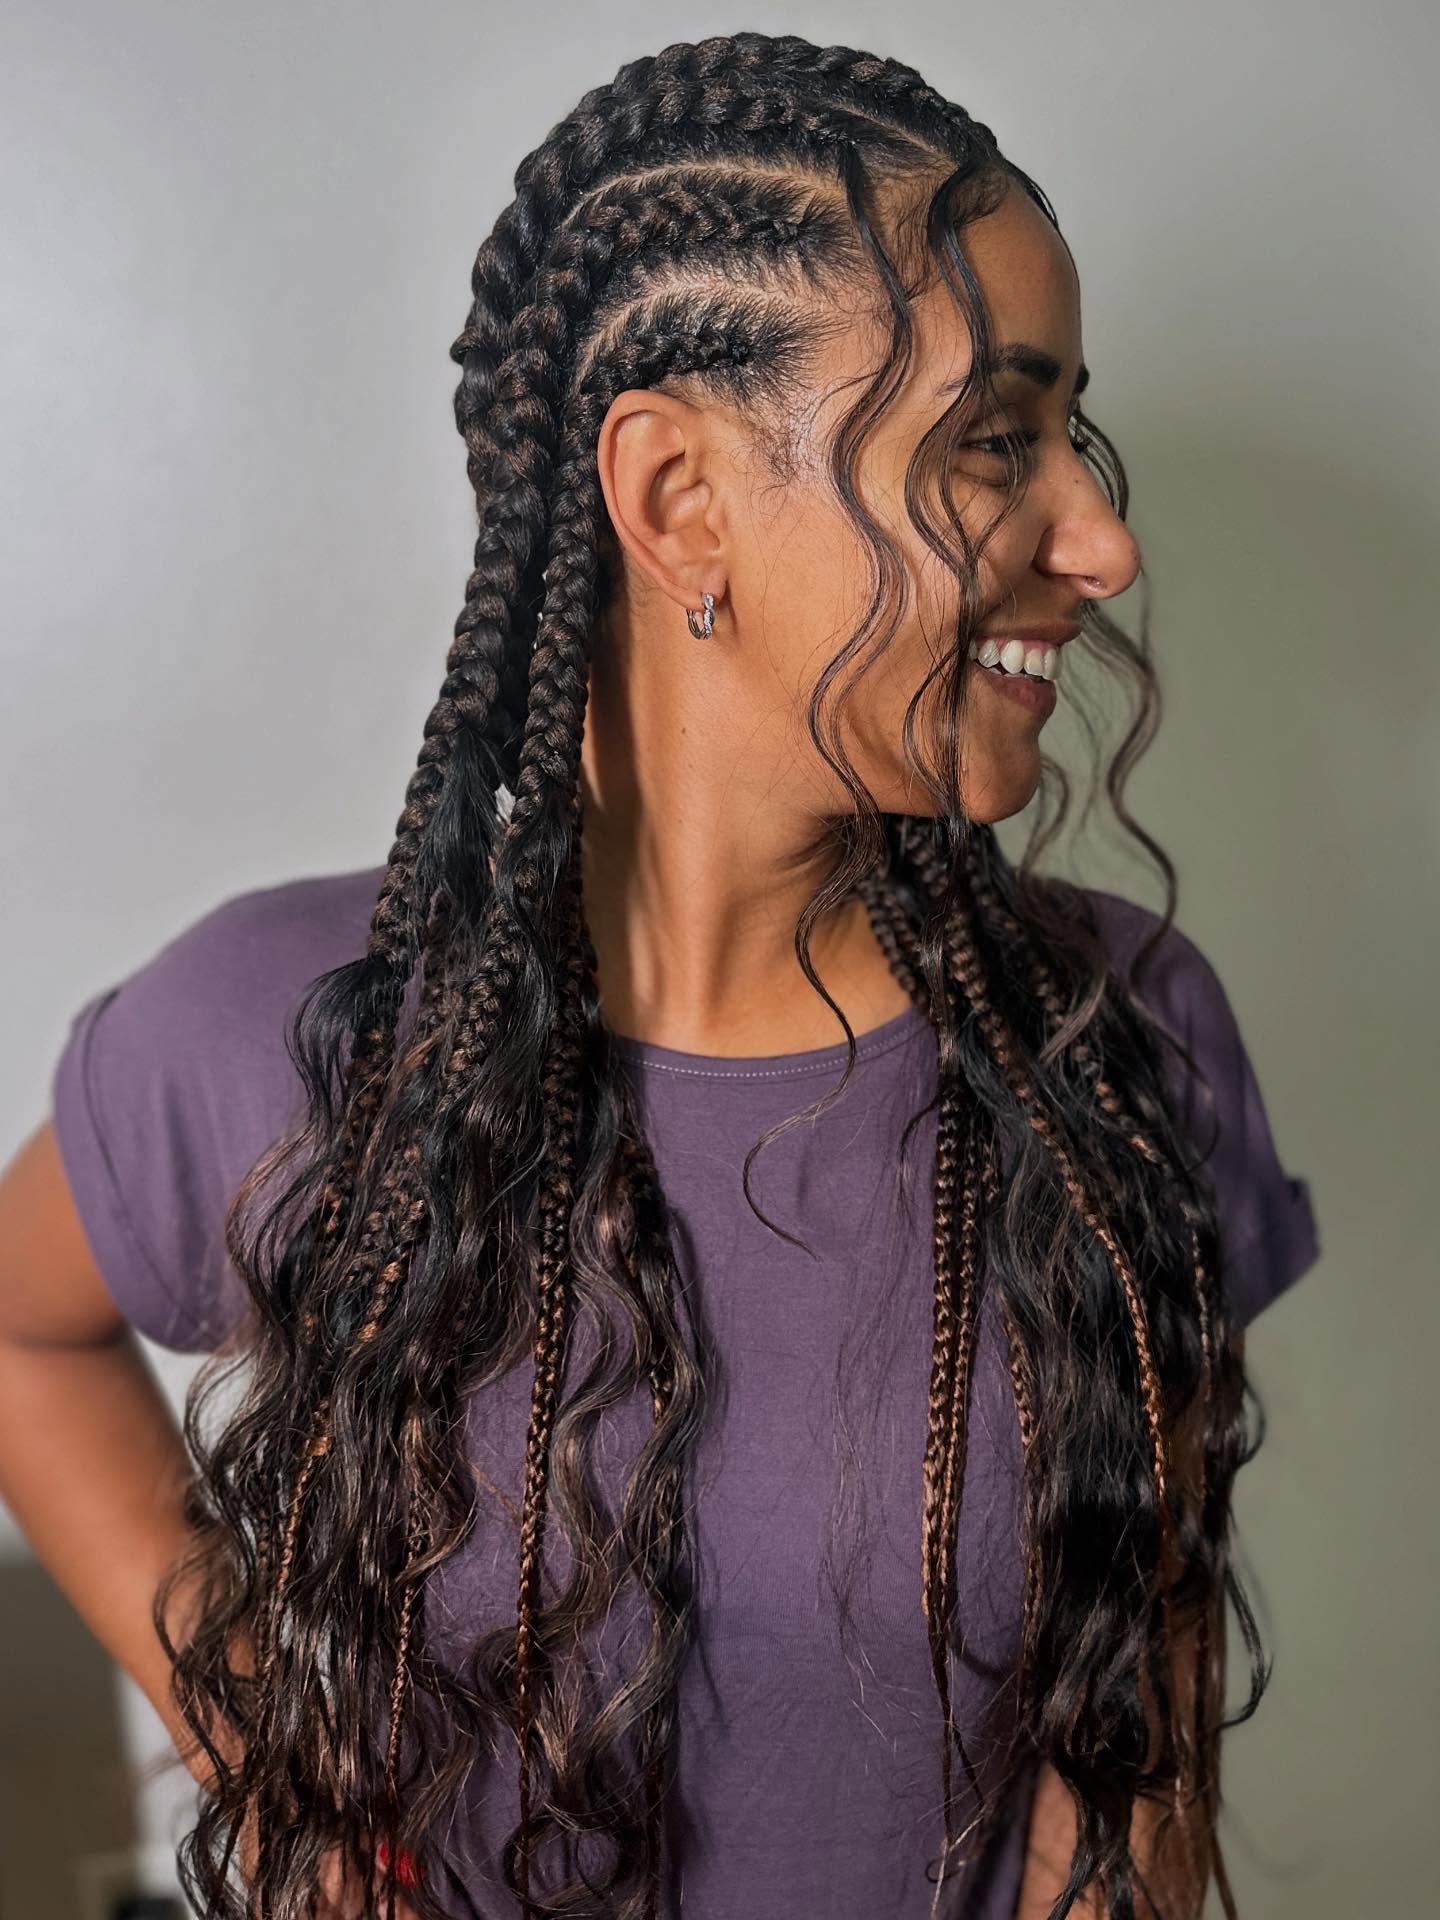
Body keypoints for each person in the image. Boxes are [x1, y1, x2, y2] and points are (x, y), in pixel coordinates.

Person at [0, 30, 1320, 1920]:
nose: (1101, 541)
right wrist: (276, 1765)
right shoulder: (281, 1033)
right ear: (680, 495)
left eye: (1071, 439)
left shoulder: (1119, 1040)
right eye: (989, 443)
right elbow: (20, 1331)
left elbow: (1138, 1711)